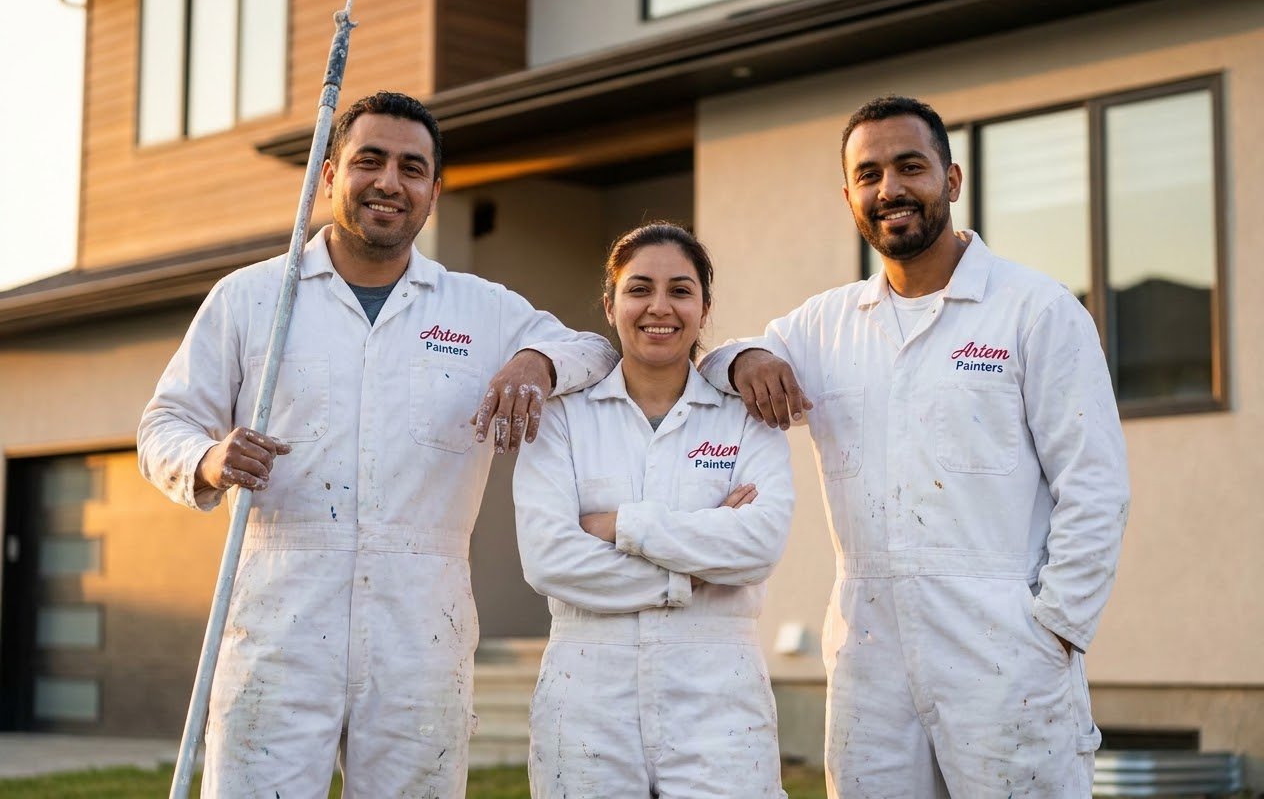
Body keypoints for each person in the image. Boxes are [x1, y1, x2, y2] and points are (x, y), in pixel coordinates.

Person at [137, 91, 617, 798]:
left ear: (433, 191)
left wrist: (535, 362)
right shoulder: (252, 299)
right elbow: (162, 426)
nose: (390, 181)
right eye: (370, 160)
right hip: (279, 617)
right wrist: (208, 460)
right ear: (329, 173)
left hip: (421, 626)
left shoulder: (480, 308)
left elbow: (595, 352)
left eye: (412, 167)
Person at [698, 95, 1130, 798]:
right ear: (849, 197)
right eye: (868, 175)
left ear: (951, 181)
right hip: (869, 649)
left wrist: (1055, 630)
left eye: (910, 167)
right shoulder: (826, 325)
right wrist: (746, 358)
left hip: (1003, 646)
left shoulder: (1036, 311)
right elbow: (715, 363)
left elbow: (1096, 484)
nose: (889, 189)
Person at [513, 223, 795, 798]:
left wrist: (618, 526)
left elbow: (759, 544)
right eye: (639, 289)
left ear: (705, 307)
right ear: (610, 304)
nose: (659, 308)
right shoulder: (565, 416)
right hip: (586, 690)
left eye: (680, 290)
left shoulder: (746, 413)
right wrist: (691, 568)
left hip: (718, 693)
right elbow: (549, 559)